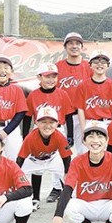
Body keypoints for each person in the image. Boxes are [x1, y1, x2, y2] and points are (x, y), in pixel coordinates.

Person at [50, 121, 112, 223]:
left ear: (107, 140)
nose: (95, 140)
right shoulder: (77, 161)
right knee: (69, 206)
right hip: (86, 204)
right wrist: (58, 215)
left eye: (100, 136)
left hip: (107, 205)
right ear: (84, 141)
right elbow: (68, 188)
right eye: (90, 136)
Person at [22, 62, 74, 203]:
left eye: (54, 76)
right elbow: (27, 117)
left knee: (61, 162)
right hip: (39, 130)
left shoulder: (62, 94)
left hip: (58, 129)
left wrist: (70, 135)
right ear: (39, 77)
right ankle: (36, 197)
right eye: (47, 76)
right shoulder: (33, 95)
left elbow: (69, 115)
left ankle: (60, 190)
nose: (51, 80)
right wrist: (25, 136)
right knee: (37, 161)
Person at [16, 106, 72, 211]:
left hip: (52, 158)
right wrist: (16, 175)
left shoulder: (59, 136)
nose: (47, 125)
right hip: (33, 160)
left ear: (57, 123)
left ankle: (70, 200)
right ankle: (33, 199)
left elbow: (66, 157)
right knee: (18, 179)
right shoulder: (30, 138)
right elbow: (20, 158)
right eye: (43, 122)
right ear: (36, 123)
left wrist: (66, 173)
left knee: (69, 178)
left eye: (51, 122)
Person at [55, 32, 92, 154]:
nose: (74, 46)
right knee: (61, 153)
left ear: (82, 47)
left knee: (84, 151)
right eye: (70, 43)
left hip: (82, 115)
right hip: (61, 116)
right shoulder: (57, 67)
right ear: (65, 47)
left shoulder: (89, 67)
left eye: (77, 43)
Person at [76, 50, 112, 141]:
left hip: (107, 123)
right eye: (96, 61)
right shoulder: (83, 86)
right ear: (90, 65)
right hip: (89, 123)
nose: (99, 64)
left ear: (108, 65)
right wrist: (84, 130)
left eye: (103, 62)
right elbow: (80, 110)